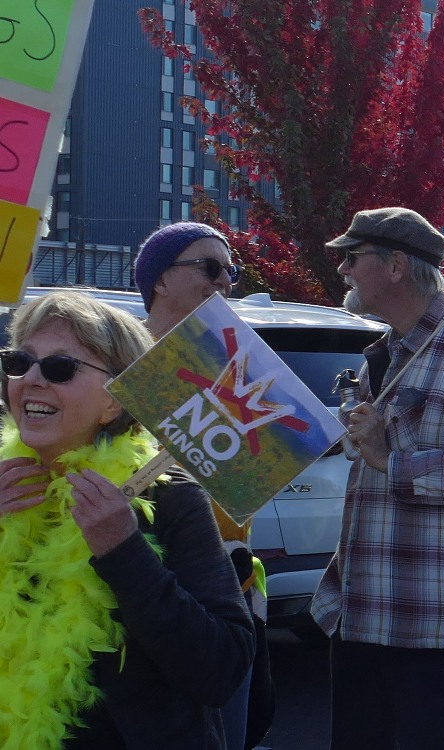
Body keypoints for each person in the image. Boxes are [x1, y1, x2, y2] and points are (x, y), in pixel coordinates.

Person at [0, 290, 254, 747]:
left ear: (114, 400)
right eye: (19, 362)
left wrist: (123, 550)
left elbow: (221, 670)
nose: (32, 379)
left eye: (60, 367)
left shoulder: (169, 498)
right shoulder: (5, 487)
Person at [309, 207, 444, 749]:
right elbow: (364, 446)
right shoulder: (384, 353)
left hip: (427, 621)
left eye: (353, 258)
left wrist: (391, 460)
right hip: (358, 613)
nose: (344, 270)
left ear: (397, 265)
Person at [135, 221, 273, 749]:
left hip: (227, 588)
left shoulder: (237, 363)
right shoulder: (116, 358)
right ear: (160, 280)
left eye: (230, 271)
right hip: (142, 587)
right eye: (210, 267)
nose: (224, 281)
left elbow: (249, 481)